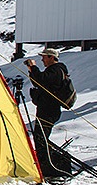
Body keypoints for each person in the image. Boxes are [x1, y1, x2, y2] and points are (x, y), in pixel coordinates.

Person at [26, 48, 68, 177]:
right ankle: (46, 164)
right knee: (41, 137)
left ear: (51, 57)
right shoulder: (55, 71)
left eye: (44, 57)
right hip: (47, 109)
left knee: (40, 137)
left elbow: (42, 80)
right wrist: (32, 71)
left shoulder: (56, 70)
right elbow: (39, 82)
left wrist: (34, 68)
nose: (42, 60)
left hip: (49, 109)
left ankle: (47, 166)